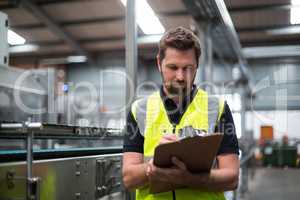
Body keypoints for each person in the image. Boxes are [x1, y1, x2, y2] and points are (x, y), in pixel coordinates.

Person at [122, 26, 239, 200]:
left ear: (197, 65)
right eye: (173, 67)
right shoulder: (139, 110)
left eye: (188, 68)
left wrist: (191, 179)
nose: (181, 76)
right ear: (159, 64)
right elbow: (129, 178)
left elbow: (232, 177)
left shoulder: (217, 108)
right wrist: (154, 165)